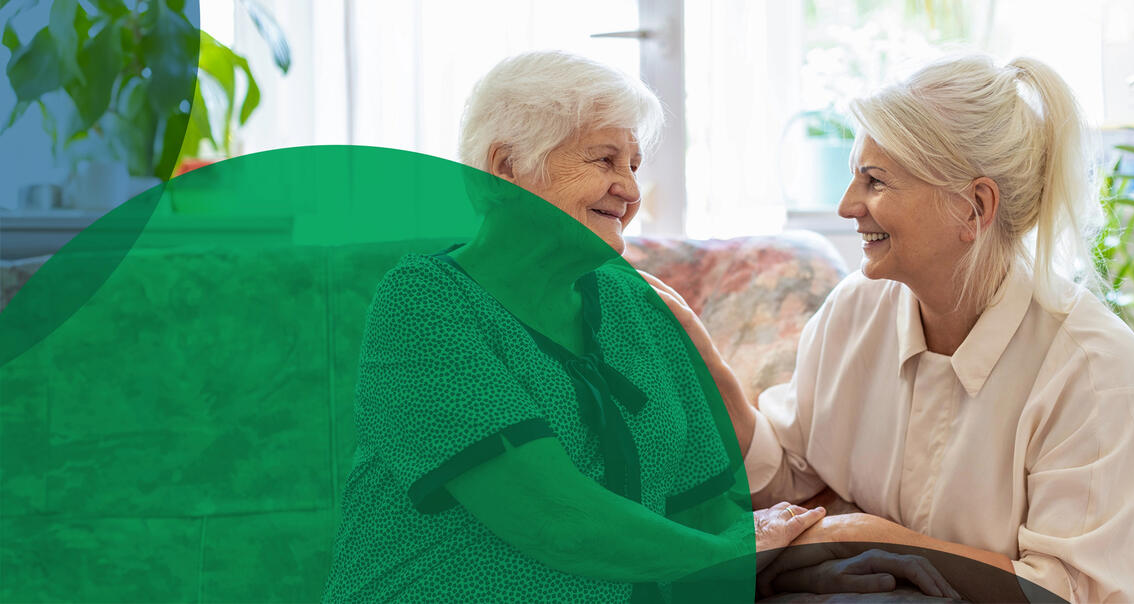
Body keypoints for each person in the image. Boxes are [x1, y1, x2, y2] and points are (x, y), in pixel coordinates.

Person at [321, 50, 824, 602]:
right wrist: (733, 558)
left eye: (634, 166)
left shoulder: (636, 306)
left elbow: (704, 506)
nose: (631, 192)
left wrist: (798, 572)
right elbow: (550, 517)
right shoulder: (424, 302)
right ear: (505, 168)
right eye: (605, 161)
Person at [688, 54, 1134, 602]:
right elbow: (791, 475)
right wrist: (711, 376)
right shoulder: (855, 308)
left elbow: (1065, 592)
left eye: (874, 181)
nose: (846, 205)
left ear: (974, 208)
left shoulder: (1092, 365)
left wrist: (872, 535)